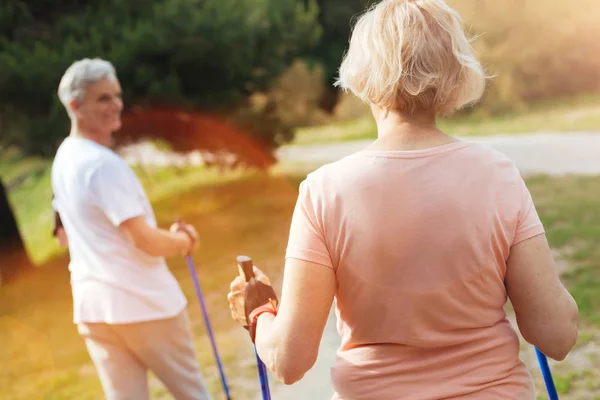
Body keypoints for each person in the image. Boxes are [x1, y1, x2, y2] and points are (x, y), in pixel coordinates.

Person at [227, 1, 579, 399]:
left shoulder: (325, 191)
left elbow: (290, 359)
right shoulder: (498, 175)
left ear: (362, 72)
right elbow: (556, 334)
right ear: (456, 70)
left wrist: (258, 314)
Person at [51, 58, 212, 400]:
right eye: (103, 98)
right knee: (192, 394)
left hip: (95, 310)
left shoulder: (64, 157)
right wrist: (184, 240)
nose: (116, 105)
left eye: (117, 95)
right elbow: (146, 242)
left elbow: (63, 234)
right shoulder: (101, 165)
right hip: (145, 305)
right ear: (75, 105)